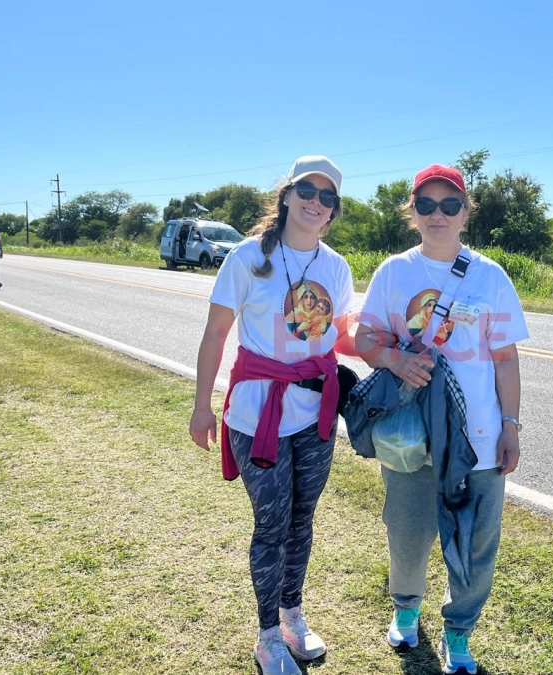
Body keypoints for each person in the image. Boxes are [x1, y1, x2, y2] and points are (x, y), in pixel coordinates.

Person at [188, 156, 359, 675]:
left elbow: (342, 334)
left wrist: (395, 352)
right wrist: (201, 407)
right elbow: (216, 334)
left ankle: (291, 615)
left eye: (328, 196)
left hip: (315, 415)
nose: (316, 202)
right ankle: (267, 636)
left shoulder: (335, 266)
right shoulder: (246, 258)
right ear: (286, 195)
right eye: (308, 190)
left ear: (333, 211)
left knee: (302, 521)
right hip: (255, 415)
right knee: (271, 525)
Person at [354, 164, 528, 675]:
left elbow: (506, 359)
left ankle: (459, 631)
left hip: (478, 439)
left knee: (476, 544)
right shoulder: (394, 271)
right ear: (412, 212)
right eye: (426, 205)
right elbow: (365, 340)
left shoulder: (491, 276)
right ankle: (406, 608)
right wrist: (392, 359)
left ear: (465, 213)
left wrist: (512, 426)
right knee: (407, 533)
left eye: (449, 205)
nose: (438, 214)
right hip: (411, 435)